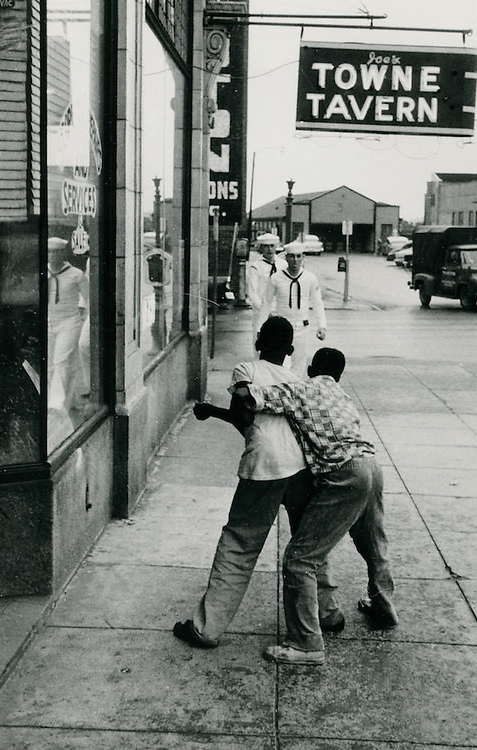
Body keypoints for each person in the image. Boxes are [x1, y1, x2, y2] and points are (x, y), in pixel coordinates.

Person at [172, 317, 343, 649]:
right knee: (309, 544)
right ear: (291, 350)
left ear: (258, 341)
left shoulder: (246, 370)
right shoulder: (295, 379)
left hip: (264, 465)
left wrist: (211, 411)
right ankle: (329, 612)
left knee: (239, 543)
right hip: (300, 465)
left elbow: (245, 416)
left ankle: (206, 629)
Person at [237, 347, 398, 666]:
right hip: (371, 466)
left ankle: (307, 644)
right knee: (373, 544)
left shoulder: (301, 388)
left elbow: (251, 396)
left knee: (299, 559)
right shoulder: (343, 396)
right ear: (339, 375)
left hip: (345, 476)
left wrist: (242, 383)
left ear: (310, 368)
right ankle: (384, 607)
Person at [259, 242, 326, 375]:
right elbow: (266, 303)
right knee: (280, 365)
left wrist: (322, 326)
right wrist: (260, 328)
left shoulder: (310, 278)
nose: (295, 260)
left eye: (298, 256)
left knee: (299, 366)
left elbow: (318, 303)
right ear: (286, 258)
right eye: (291, 257)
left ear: (303, 257)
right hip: (281, 328)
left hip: (302, 327)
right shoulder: (276, 278)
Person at [47, 237, 89, 419]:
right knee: (53, 365)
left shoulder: (76, 274)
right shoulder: (43, 274)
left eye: (56, 252)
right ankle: (72, 400)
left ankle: (56, 403)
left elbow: (89, 299)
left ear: (63, 253)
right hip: (49, 323)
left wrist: (85, 319)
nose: (52, 255)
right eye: (49, 251)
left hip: (69, 323)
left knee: (61, 361)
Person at [246, 232, 286, 356]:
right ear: (261, 248)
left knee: (281, 343)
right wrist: (266, 311)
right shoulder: (256, 267)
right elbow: (252, 293)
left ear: (276, 247)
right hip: (261, 310)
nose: (269, 249)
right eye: (266, 246)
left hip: (280, 309)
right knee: (261, 343)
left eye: (272, 246)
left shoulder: (283, 265)